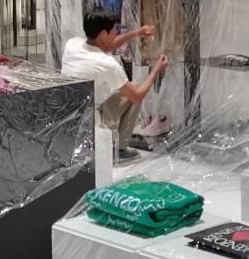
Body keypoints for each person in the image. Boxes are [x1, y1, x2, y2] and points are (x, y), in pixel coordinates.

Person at [61, 9, 169, 164]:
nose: (115, 34)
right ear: (103, 35)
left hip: (70, 119)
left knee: (125, 90)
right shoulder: (107, 64)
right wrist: (156, 70)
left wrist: (136, 33)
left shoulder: (73, 44)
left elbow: (105, 46)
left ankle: (111, 144)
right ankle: (118, 150)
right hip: (91, 124)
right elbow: (137, 96)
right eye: (114, 32)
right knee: (135, 89)